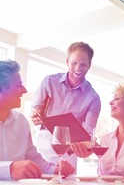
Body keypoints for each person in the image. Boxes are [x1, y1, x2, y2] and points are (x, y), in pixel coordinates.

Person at [31, 41, 101, 171]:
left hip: (69, 149)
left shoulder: (93, 98)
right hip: (43, 143)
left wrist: (86, 146)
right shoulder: (49, 81)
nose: (78, 68)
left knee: (66, 180)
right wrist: (35, 114)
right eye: (74, 63)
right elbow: (35, 108)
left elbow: (87, 133)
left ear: (89, 66)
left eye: (83, 64)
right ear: (67, 61)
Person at [0, 60, 74, 181]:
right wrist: (9, 168)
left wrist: (54, 169)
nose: (24, 90)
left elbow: (33, 157)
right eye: (18, 85)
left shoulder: (21, 121)